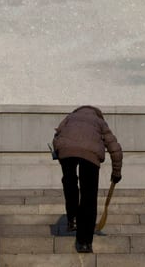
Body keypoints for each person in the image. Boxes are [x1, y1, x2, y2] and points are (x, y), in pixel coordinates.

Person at [52, 106, 123, 253]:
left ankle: (72, 218)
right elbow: (115, 148)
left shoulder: (70, 117)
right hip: (90, 155)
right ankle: (84, 242)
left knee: (69, 182)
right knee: (88, 197)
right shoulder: (100, 122)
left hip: (66, 150)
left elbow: (57, 135)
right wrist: (116, 173)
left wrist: (59, 154)